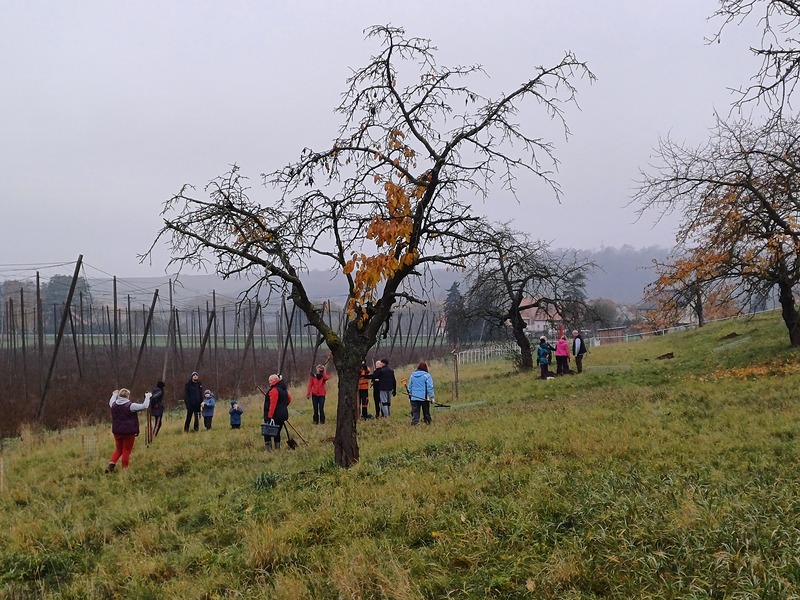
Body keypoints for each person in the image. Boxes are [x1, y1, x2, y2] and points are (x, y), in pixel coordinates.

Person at [106, 388, 151, 472]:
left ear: (119, 396)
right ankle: (125, 469)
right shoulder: (130, 405)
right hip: (128, 432)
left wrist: (114, 394)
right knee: (126, 451)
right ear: (128, 396)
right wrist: (147, 396)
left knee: (118, 449)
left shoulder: (113, 404)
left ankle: (111, 464)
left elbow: (111, 399)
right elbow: (145, 406)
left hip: (117, 431)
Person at [264, 374, 292, 450]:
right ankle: (277, 449)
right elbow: (289, 399)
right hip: (283, 415)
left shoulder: (274, 390)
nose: (269, 382)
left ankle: (269, 450)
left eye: (270, 380)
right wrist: (283, 406)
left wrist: (270, 416)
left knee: (267, 432)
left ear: (274, 380)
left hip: (274, 415)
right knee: (277, 432)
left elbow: (273, 404)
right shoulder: (284, 389)